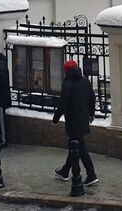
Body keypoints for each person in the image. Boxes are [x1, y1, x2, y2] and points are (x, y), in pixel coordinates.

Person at [51, 59, 99, 187]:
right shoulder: (84, 80)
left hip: (73, 121)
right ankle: (65, 171)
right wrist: (91, 113)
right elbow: (92, 98)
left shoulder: (67, 84)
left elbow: (63, 104)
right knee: (75, 147)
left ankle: (91, 174)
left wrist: (55, 119)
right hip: (83, 118)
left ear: (66, 71)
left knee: (79, 148)